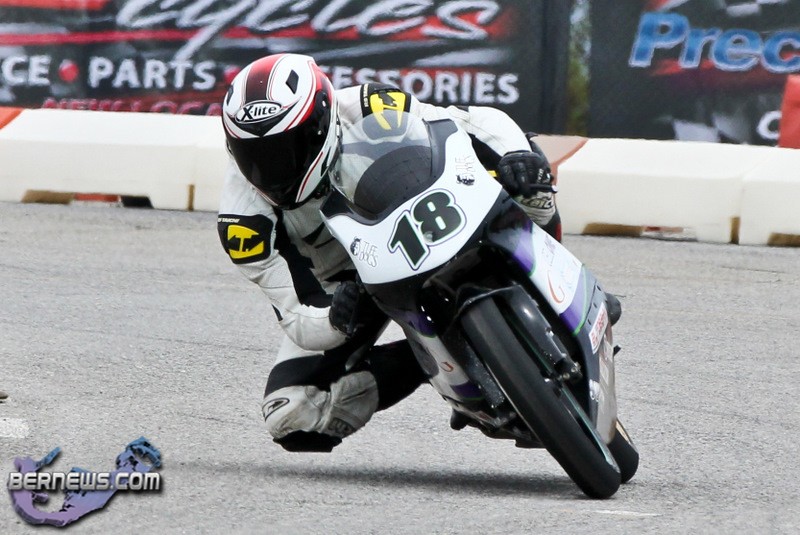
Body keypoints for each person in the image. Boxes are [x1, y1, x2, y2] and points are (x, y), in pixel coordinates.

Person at [218, 53, 561, 452]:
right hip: (349, 286)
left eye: (284, 150)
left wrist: (516, 155)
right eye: (253, 156)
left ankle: (553, 279)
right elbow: (295, 311)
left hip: (422, 212)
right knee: (290, 414)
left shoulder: (369, 105)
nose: (270, 171)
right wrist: (333, 316)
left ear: (320, 122)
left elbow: (466, 122)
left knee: (524, 168)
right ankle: (433, 362)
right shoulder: (244, 223)